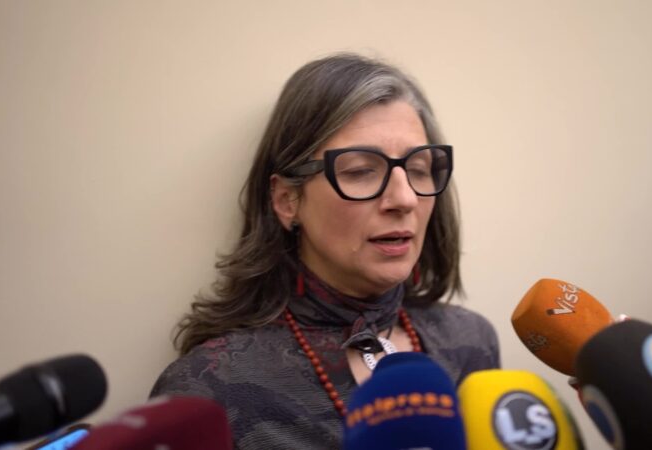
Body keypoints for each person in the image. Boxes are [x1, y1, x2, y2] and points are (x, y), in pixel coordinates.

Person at [150, 53, 500, 449]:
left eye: (418, 169)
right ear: (287, 200)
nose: (404, 199)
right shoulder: (209, 390)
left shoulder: (472, 343)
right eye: (361, 171)